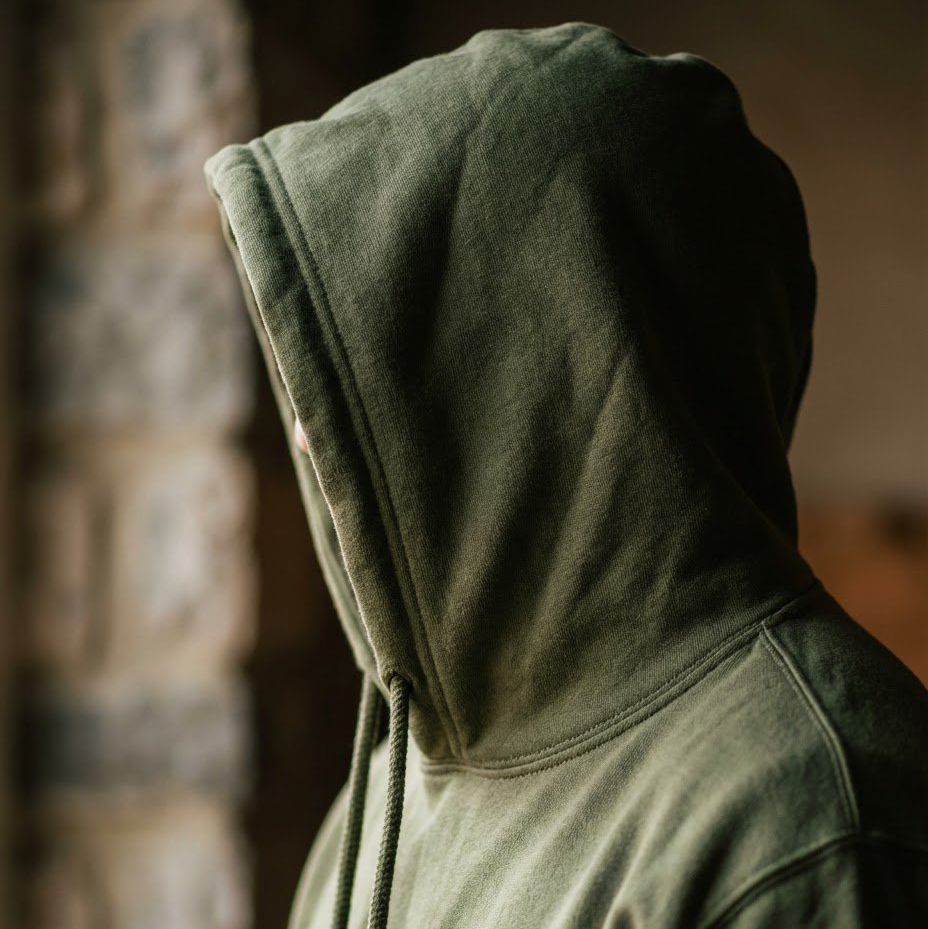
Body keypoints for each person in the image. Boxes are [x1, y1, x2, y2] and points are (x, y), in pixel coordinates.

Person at [205, 23, 927, 928]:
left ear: (540, 367)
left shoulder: (806, 826)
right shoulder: (388, 795)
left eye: (386, 366)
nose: (308, 437)